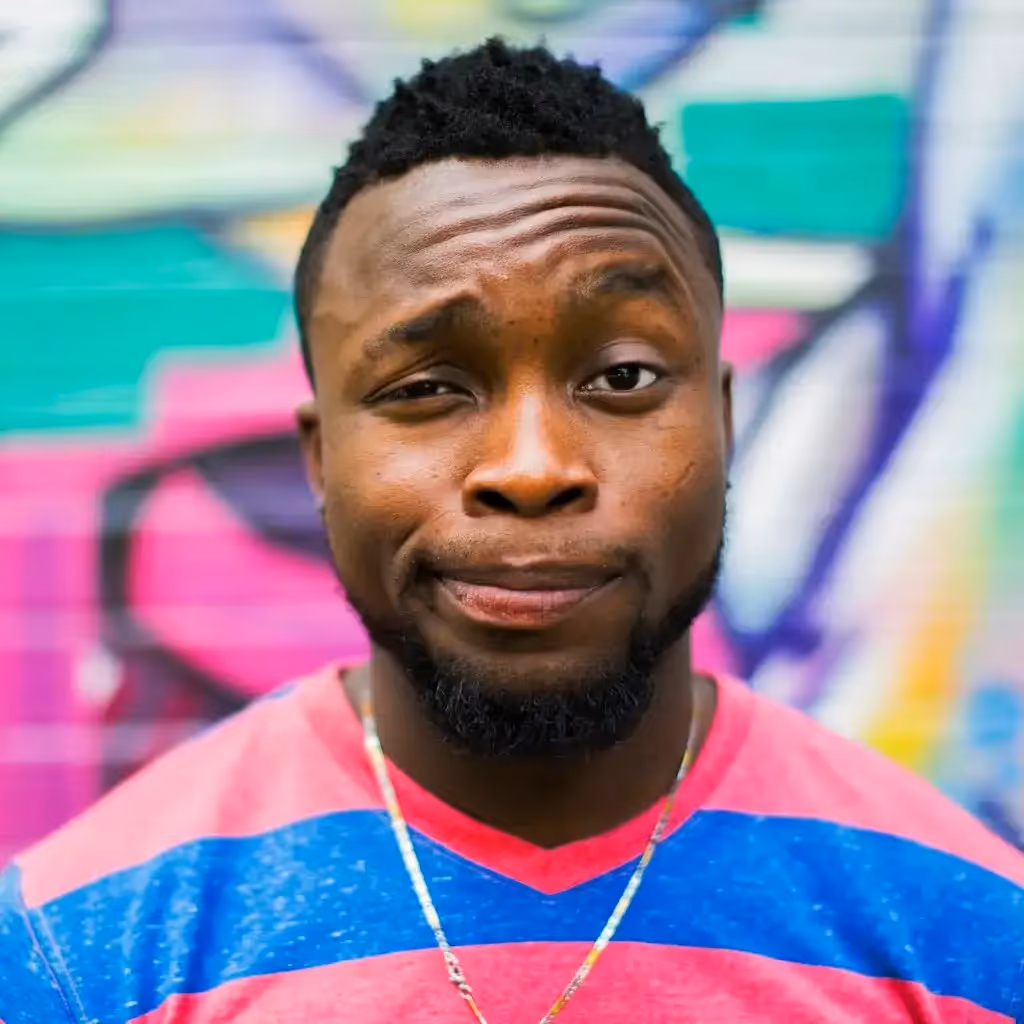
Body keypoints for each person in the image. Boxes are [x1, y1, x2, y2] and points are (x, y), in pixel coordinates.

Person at [1, 38, 1021, 1024]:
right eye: (426, 387)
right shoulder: (77, 954)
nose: (532, 468)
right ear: (320, 462)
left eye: (623, 376)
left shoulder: (972, 936)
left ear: (721, 424)